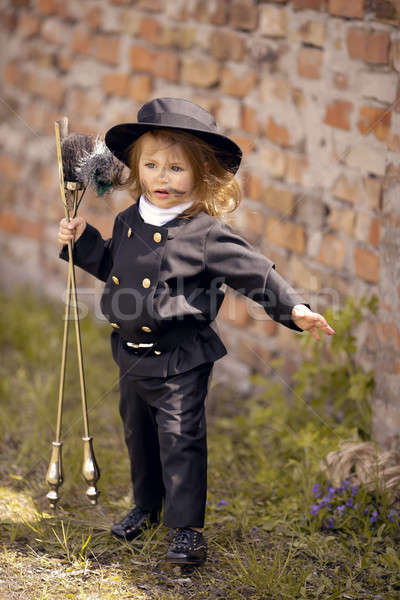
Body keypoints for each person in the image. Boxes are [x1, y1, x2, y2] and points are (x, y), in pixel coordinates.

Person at [58, 97, 335, 566]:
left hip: (181, 357)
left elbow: (256, 274)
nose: (162, 178)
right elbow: (110, 264)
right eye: (151, 166)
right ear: (135, 168)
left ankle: (185, 528)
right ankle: (146, 507)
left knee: (180, 437)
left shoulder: (205, 233)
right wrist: (81, 239)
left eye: (176, 169)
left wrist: (296, 308)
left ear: (203, 175)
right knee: (138, 435)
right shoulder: (129, 222)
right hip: (131, 355)